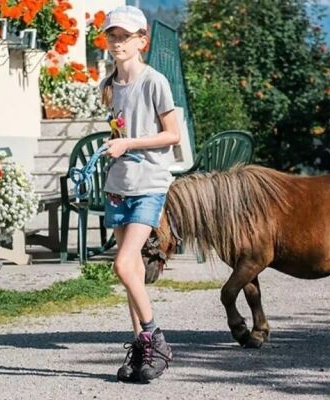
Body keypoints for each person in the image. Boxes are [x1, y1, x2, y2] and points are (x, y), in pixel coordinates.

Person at [99, 5, 181, 383]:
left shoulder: (154, 81)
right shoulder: (108, 84)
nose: (117, 43)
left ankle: (155, 337)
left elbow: (172, 135)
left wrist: (129, 143)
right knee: (129, 270)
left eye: (125, 37)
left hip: (149, 183)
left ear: (141, 41)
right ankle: (141, 349)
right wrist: (114, 146)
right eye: (112, 36)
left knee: (123, 264)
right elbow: (118, 131)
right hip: (118, 185)